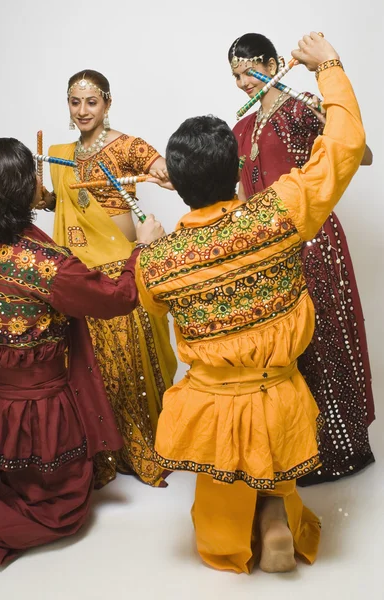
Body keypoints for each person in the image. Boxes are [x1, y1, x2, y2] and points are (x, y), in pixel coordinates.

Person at [136, 34, 366, 573]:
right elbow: (345, 146)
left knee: (215, 522)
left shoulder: (162, 259)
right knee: (274, 465)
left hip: (210, 413)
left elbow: (150, 306)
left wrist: (151, 246)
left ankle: (237, 532)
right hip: (280, 400)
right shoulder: (279, 214)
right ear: (237, 170)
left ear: (182, 186)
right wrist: (328, 65)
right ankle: (278, 514)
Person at [0, 137, 165, 594]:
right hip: (36, 407)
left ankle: (0, 475)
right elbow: (116, 297)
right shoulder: (44, 266)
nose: (40, 183)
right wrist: (143, 250)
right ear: (18, 195)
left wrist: (11, 185)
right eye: (30, 180)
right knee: (64, 507)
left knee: (51, 481)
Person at [229, 33, 374, 486]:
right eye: (234, 75)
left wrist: (316, 101)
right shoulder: (240, 128)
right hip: (268, 250)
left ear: (274, 64)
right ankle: (295, 449)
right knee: (283, 348)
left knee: (323, 335)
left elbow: (361, 154)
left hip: (311, 241)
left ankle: (339, 449)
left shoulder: (299, 105)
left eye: (249, 70)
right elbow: (240, 195)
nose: (241, 82)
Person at [37, 69, 177, 489]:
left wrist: (163, 173)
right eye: (75, 102)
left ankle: (140, 443)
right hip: (78, 274)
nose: (82, 111)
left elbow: (165, 170)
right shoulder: (62, 154)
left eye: (91, 102)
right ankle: (100, 448)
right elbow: (59, 204)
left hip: (121, 270)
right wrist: (40, 197)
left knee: (129, 361)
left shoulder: (126, 146)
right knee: (89, 362)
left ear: (108, 104)